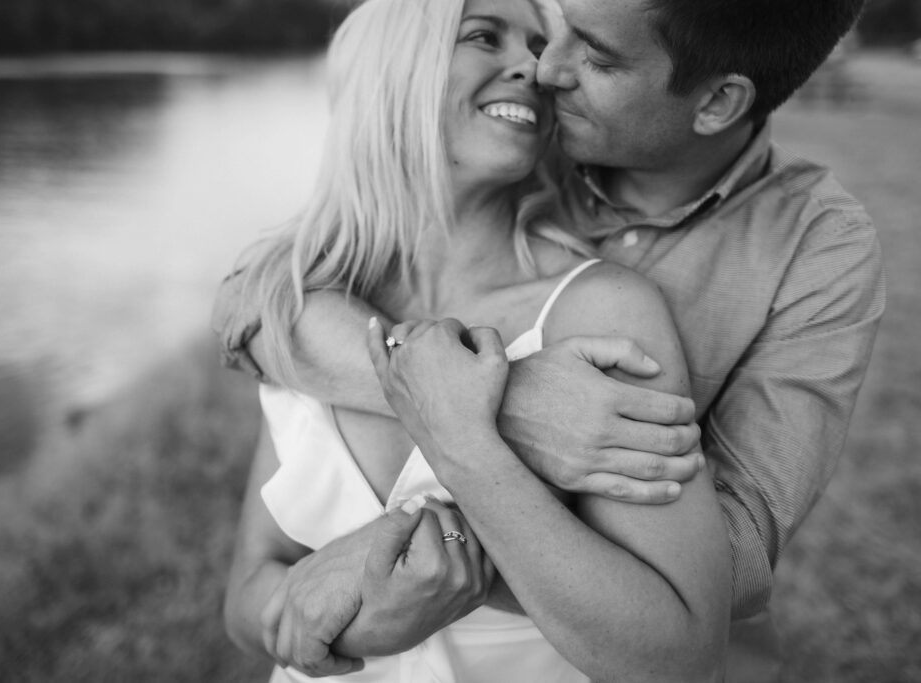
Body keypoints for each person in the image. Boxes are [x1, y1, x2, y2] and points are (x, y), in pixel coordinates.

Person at [214, 0, 886, 679]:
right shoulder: (535, 148)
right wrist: (506, 395)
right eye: (553, 33)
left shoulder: (819, 248)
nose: (544, 68)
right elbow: (252, 297)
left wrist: (400, 560)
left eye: (595, 55)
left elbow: (721, 568)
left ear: (716, 103)